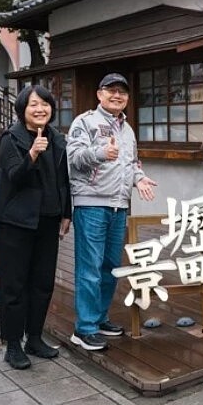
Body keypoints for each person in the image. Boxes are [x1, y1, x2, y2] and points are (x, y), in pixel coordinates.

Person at [67, 73, 157, 351]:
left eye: (122, 92)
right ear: (99, 94)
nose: (117, 96)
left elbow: (130, 163)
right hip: (91, 203)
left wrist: (138, 177)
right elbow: (73, 159)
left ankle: (100, 317)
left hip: (119, 205)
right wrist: (99, 153)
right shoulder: (85, 122)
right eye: (111, 91)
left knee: (110, 267)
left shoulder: (127, 129)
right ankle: (84, 328)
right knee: (90, 267)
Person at [0, 85, 71, 370]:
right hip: (14, 221)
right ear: (22, 108)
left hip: (47, 219)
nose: (40, 109)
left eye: (45, 104)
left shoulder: (57, 138)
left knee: (43, 283)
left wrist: (66, 213)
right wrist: (33, 154)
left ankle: (34, 338)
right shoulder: (11, 138)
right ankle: (12, 344)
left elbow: (63, 180)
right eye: (33, 105)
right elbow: (14, 176)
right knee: (14, 285)